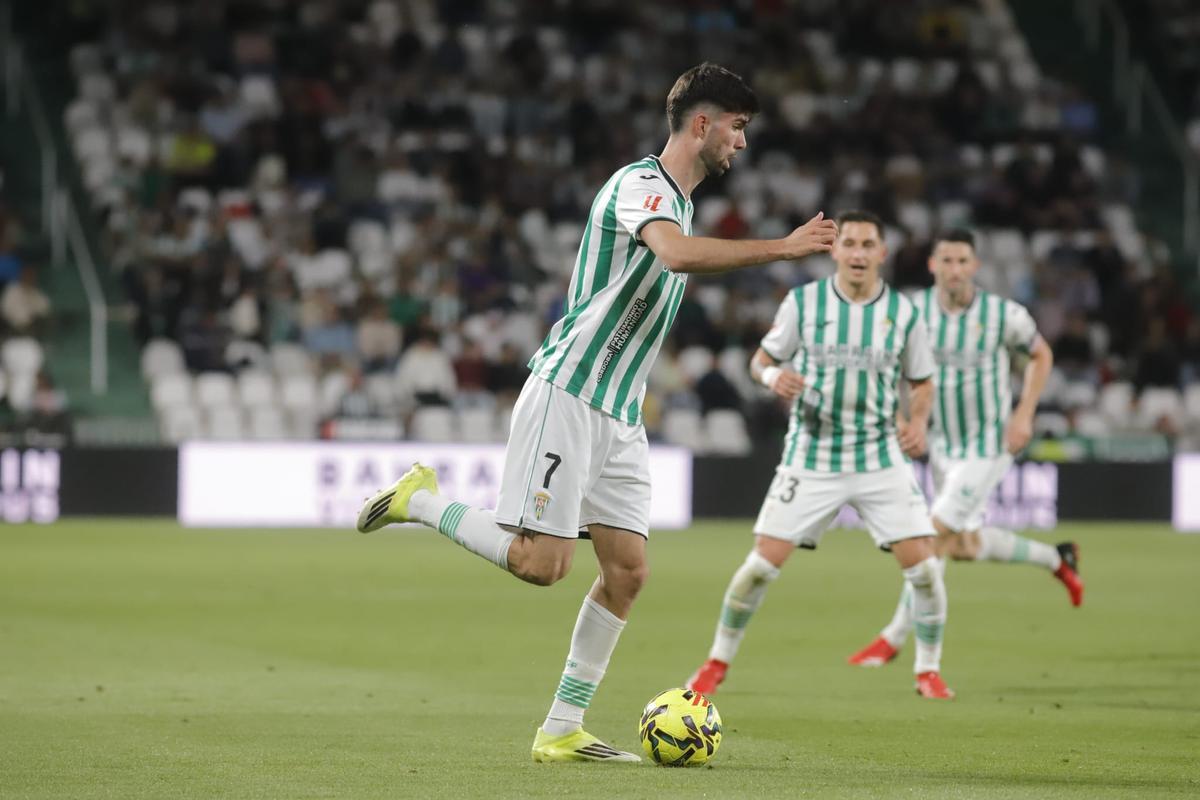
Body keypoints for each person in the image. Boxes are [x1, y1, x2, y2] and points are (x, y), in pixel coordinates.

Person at [354, 62, 838, 762]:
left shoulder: (682, 201)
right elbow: (672, 257)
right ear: (701, 124)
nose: (741, 143)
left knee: (628, 570)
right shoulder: (641, 186)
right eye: (736, 127)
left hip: (619, 415)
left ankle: (561, 729)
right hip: (569, 393)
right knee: (541, 564)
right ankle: (421, 502)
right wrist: (783, 248)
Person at [686, 211, 956, 700]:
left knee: (926, 570)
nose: (856, 253)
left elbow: (922, 382)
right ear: (833, 250)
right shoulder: (803, 304)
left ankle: (928, 670)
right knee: (759, 568)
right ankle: (716, 662)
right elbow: (760, 362)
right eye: (848, 243)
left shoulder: (904, 313)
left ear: (882, 253)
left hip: (878, 455)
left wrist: (917, 423)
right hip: (811, 455)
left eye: (866, 244)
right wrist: (773, 379)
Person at [845, 229, 1082, 672]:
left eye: (962, 261)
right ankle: (1057, 558)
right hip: (941, 447)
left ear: (975, 267)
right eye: (946, 261)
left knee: (929, 538)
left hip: (988, 445)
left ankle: (891, 639)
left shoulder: (1002, 315)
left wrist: (1024, 413)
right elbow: (882, 362)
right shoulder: (913, 311)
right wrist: (900, 419)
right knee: (963, 546)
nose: (954, 269)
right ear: (933, 265)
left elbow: (1040, 355)